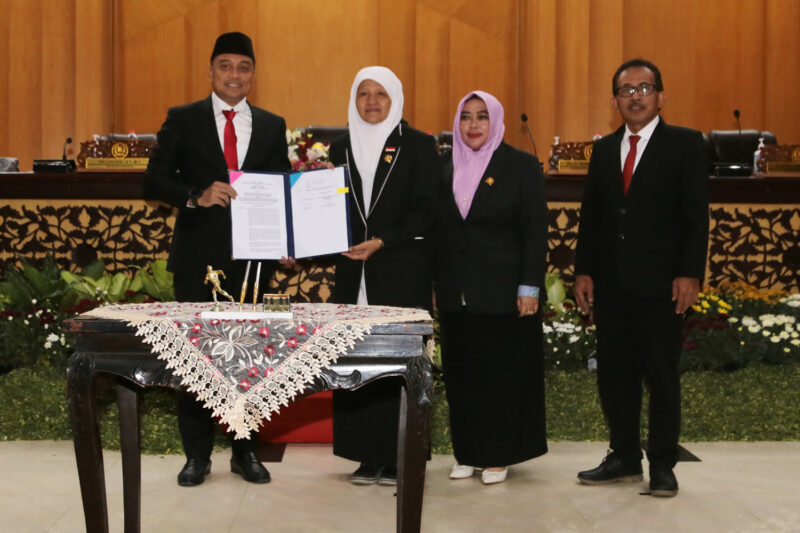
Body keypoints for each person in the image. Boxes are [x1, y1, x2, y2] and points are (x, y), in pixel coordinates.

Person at [143, 31, 291, 487]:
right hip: (197, 259)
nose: (234, 74)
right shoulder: (183, 118)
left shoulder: (271, 124)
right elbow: (153, 181)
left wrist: (287, 238)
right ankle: (197, 455)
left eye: (243, 67)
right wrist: (196, 195)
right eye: (225, 65)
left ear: (253, 75)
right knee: (196, 358)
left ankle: (245, 450)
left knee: (248, 359)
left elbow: (282, 185)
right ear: (210, 72)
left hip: (254, 263)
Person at [573, 58, 709, 497]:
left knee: (661, 376)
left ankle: (664, 464)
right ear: (615, 100)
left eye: (644, 88)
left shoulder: (685, 145)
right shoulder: (603, 149)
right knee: (615, 375)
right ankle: (625, 455)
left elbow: (695, 217)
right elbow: (590, 217)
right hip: (612, 286)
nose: (635, 96)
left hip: (662, 285)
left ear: (660, 96)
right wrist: (584, 272)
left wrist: (690, 273)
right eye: (626, 90)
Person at [328, 66, 440, 486]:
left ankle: (400, 456)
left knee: (398, 364)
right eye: (363, 94)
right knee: (356, 363)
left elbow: (427, 209)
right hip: (351, 273)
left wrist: (382, 240)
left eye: (381, 95)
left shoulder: (417, 145)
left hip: (400, 269)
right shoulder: (339, 146)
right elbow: (330, 208)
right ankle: (366, 455)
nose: (371, 102)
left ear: (395, 100)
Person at [435, 90, 548, 485]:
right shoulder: (446, 165)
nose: (473, 125)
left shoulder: (520, 165)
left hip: (503, 293)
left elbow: (535, 232)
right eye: (466, 117)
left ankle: (498, 454)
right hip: (457, 295)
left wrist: (530, 287)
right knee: (462, 377)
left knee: (500, 378)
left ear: (495, 121)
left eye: (482, 117)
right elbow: (441, 231)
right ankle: (468, 452)